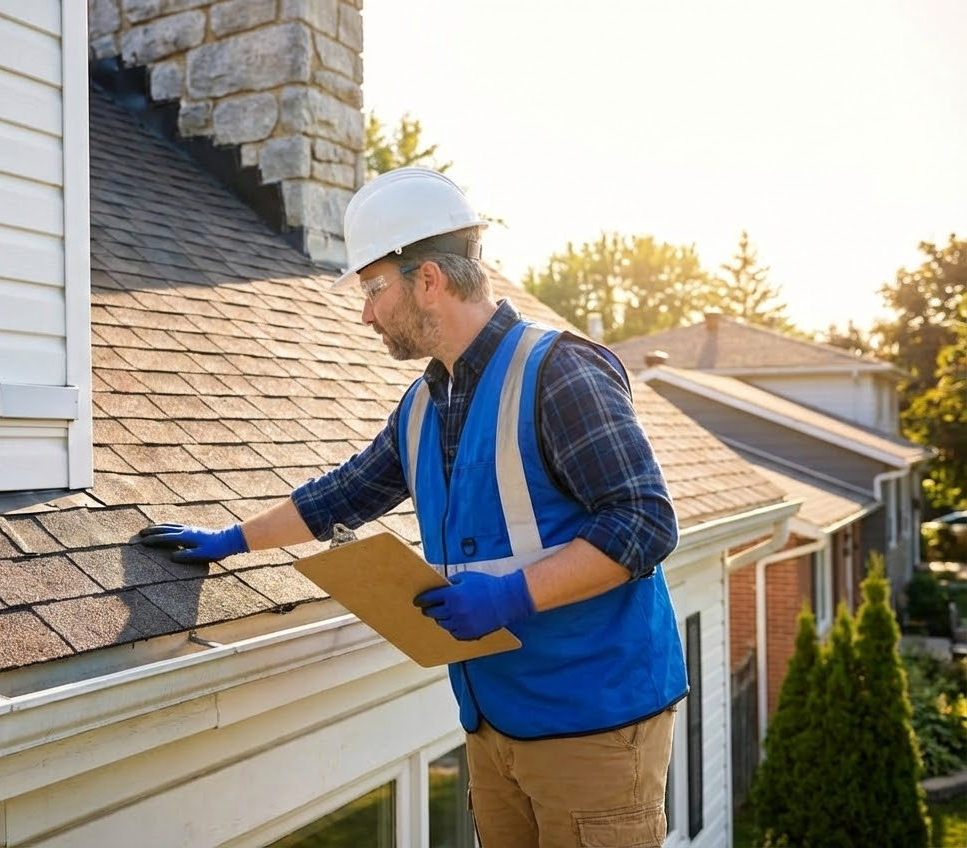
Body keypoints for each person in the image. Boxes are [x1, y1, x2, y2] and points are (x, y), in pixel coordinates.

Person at [139, 167, 686, 847]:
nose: (365, 312)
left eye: (373, 288)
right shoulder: (428, 402)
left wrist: (507, 597)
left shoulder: (560, 371)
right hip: (495, 722)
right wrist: (230, 540)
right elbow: (345, 493)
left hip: (594, 725)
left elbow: (644, 523)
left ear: (428, 279)